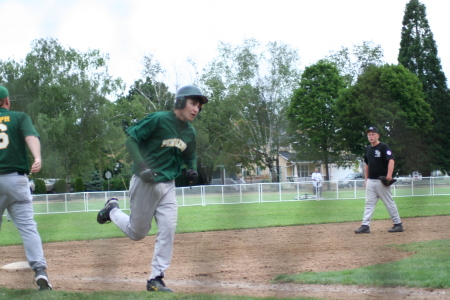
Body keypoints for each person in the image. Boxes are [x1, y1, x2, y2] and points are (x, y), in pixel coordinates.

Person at [97, 85, 208, 292]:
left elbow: (190, 155)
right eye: (193, 103)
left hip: (168, 186)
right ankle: (112, 210)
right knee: (137, 233)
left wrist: (191, 169)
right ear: (180, 102)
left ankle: (156, 278)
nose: (196, 109)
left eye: (199, 106)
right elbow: (131, 140)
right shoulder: (158, 119)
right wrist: (142, 165)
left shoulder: (189, 132)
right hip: (145, 182)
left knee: (168, 228)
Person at [0, 85, 52, 290]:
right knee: (28, 228)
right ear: (7, 100)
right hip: (16, 180)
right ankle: (40, 270)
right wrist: (37, 157)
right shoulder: (20, 117)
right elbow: (31, 137)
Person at [354, 126, 404, 234]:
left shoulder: (383, 147)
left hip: (381, 180)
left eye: (373, 134)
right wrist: (366, 179)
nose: (371, 136)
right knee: (369, 203)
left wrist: (389, 175)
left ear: (378, 135)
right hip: (371, 181)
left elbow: (391, 160)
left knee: (388, 202)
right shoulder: (368, 149)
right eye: (369, 135)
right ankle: (365, 225)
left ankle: (398, 224)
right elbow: (367, 164)